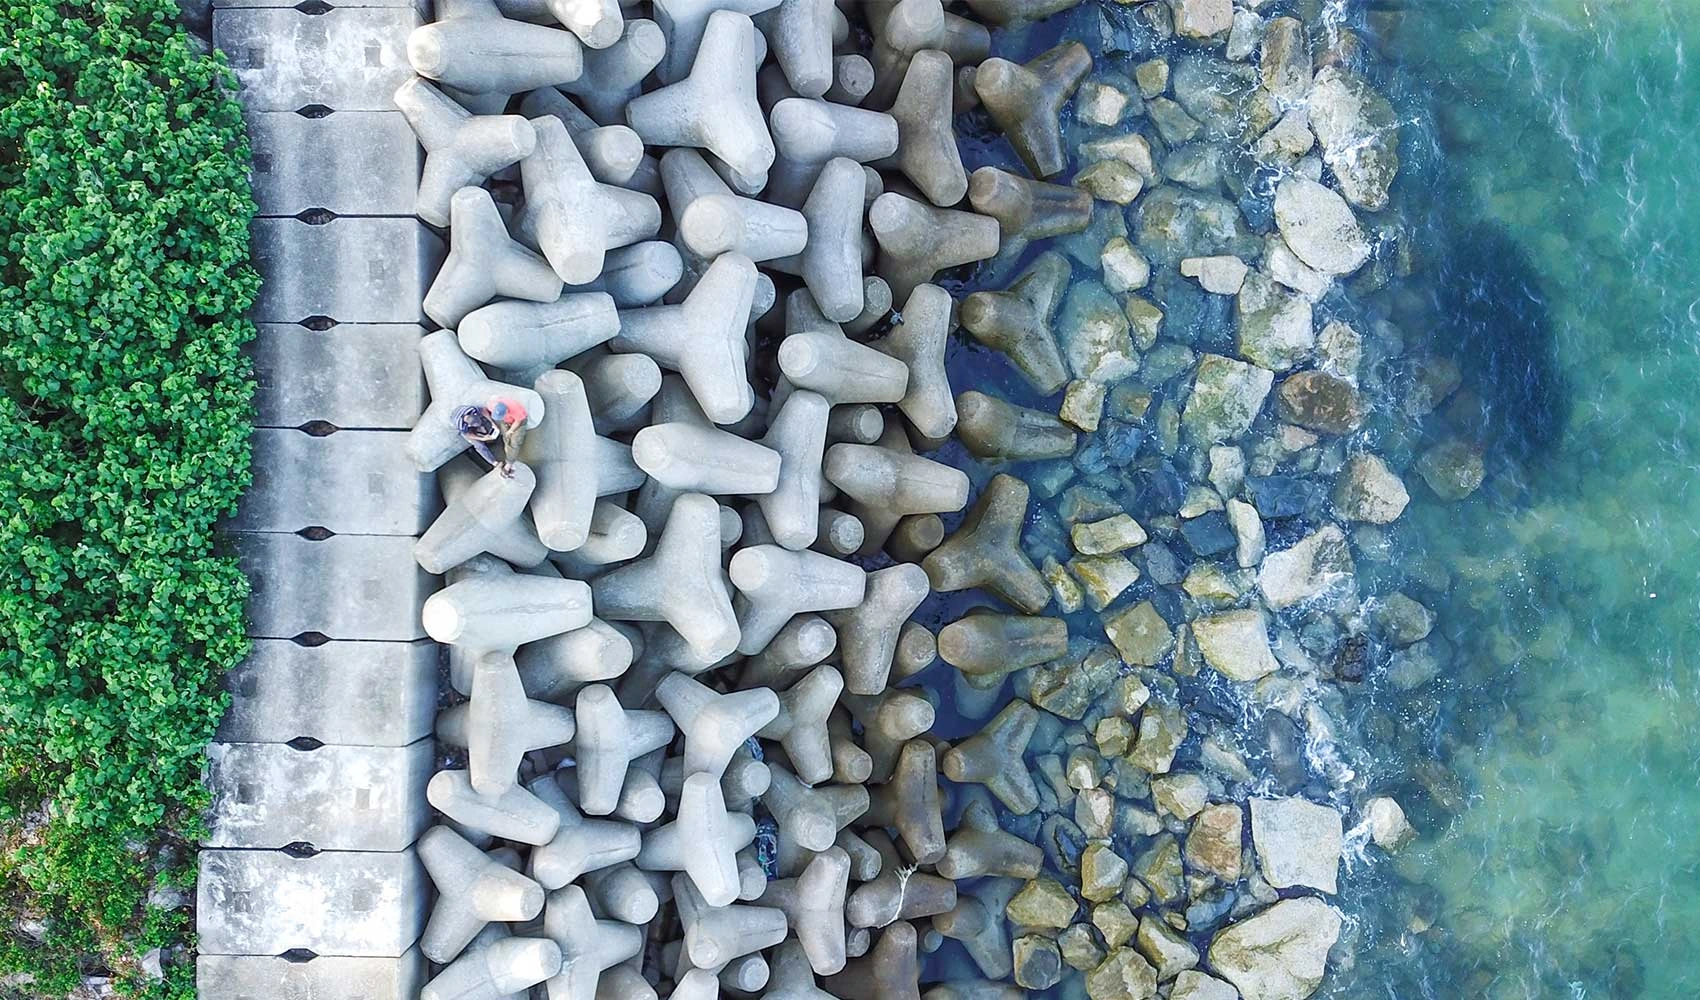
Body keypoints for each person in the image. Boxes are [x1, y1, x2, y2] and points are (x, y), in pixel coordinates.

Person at [454, 397, 528, 477]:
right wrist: (482, 438)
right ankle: (494, 463)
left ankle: (492, 438)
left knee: (487, 427)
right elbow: (467, 435)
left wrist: (492, 423)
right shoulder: (461, 426)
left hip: (474, 418)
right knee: (478, 445)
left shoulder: (473, 410)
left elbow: (483, 411)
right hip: (466, 429)